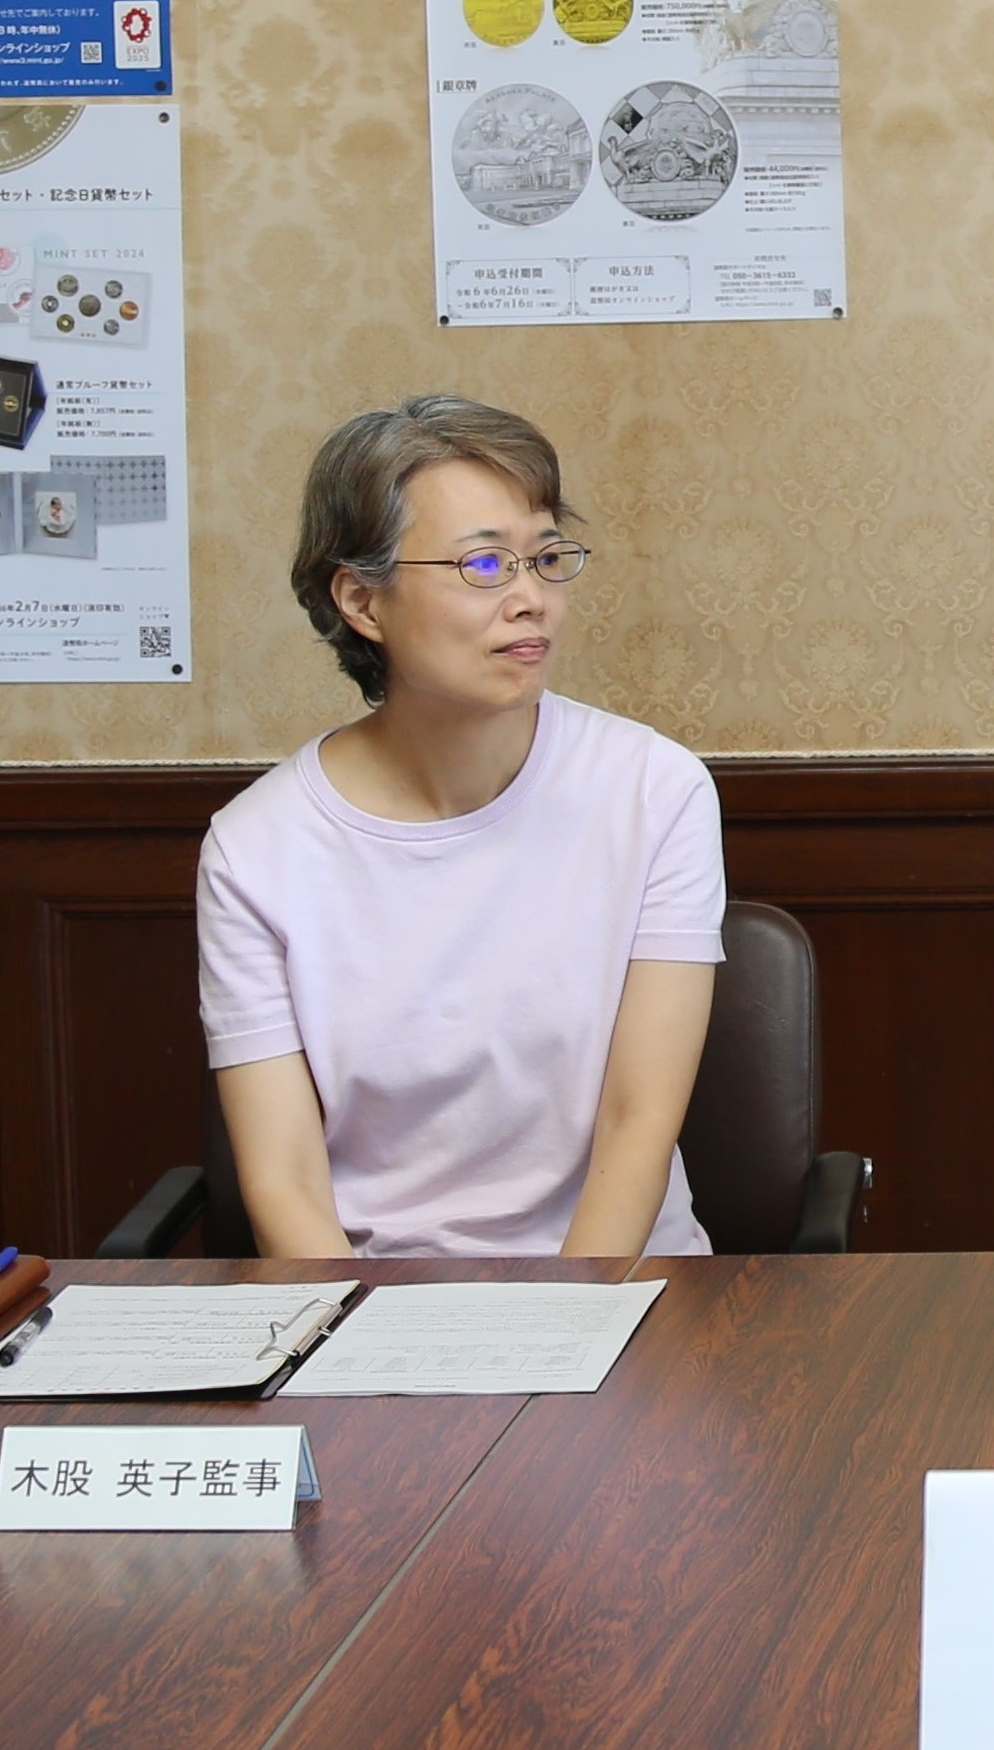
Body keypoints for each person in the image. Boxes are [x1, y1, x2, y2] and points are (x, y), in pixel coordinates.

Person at [197, 396, 724, 1259]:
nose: (532, 601)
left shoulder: (652, 789)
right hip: (378, 1304)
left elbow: (638, 1122)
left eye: (547, 558)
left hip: (620, 1288)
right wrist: (354, 1346)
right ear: (363, 601)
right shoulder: (256, 847)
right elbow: (283, 1176)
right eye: (485, 565)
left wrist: (564, 1332)